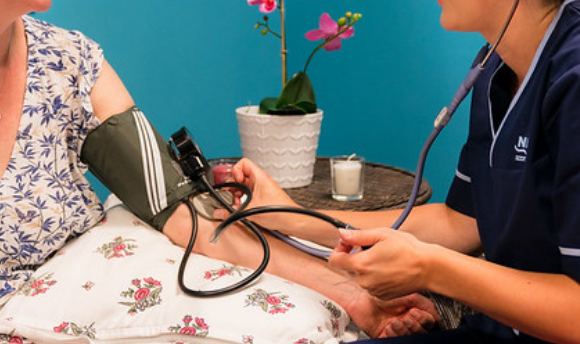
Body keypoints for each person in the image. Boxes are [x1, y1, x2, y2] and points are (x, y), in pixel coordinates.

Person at [0, 0, 439, 340]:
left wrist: (350, 294)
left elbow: (179, 208)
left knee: (290, 322)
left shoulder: (67, 60)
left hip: (79, 272)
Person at [214, 0, 580, 343]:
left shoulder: (573, 74)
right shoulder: (496, 68)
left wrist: (431, 269)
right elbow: (463, 223)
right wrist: (289, 217)